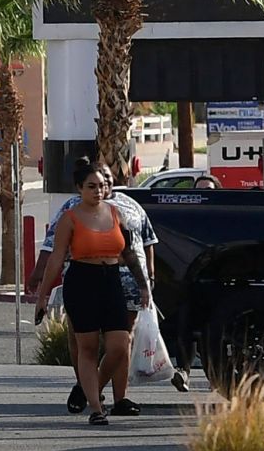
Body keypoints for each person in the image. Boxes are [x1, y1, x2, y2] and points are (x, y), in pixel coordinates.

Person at [34, 173, 181, 411]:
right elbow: (56, 258)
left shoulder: (117, 214)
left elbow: (132, 252)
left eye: (102, 186)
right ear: (79, 187)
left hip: (112, 282)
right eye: (91, 186)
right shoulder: (70, 217)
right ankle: (96, 408)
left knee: (120, 345)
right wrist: (42, 295)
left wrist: (144, 284)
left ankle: (89, 390)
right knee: (88, 347)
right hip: (81, 282)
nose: (98, 191)